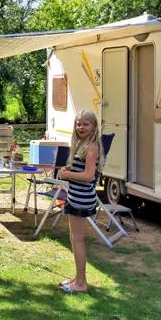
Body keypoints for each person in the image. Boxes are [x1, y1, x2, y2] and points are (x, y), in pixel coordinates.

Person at [56, 110, 103, 294]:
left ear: (94, 127)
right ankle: (77, 278)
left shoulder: (92, 147)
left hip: (82, 198)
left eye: (85, 124)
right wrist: (71, 168)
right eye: (78, 124)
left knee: (78, 240)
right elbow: (82, 170)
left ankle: (81, 283)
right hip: (76, 196)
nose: (80, 127)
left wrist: (68, 174)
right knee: (74, 239)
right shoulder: (83, 144)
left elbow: (89, 175)